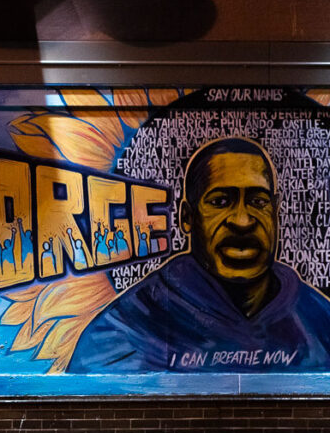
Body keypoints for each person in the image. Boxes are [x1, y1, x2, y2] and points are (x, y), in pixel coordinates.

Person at [67, 136, 330, 373]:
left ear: (275, 212)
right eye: (220, 202)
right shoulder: (122, 332)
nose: (242, 221)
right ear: (187, 218)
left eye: (258, 201)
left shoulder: (319, 320)